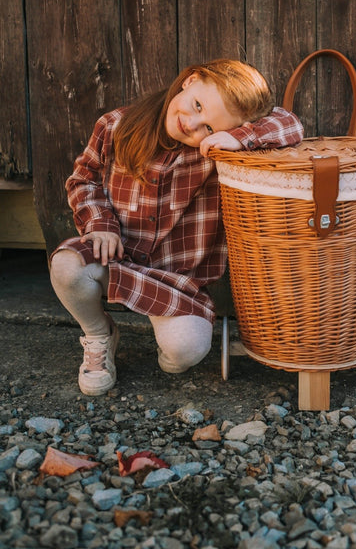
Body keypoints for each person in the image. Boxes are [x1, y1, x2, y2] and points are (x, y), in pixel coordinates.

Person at [49, 59, 303, 396]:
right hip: (114, 256)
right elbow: (84, 180)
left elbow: (289, 124)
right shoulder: (115, 125)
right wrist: (100, 224)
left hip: (175, 281)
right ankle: (99, 334)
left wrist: (239, 137)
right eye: (197, 105)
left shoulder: (215, 151)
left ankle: (169, 340)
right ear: (190, 80)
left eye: (208, 128)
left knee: (183, 354)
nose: (192, 124)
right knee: (66, 266)